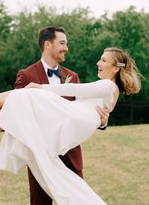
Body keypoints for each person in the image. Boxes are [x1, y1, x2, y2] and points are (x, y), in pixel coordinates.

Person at [0, 47, 141, 204]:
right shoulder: (111, 91)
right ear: (48, 44)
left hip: (68, 120)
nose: (98, 62)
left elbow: (79, 90)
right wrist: (103, 121)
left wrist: (40, 87)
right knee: (17, 107)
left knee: (24, 96)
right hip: (70, 125)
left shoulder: (106, 84)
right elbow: (99, 113)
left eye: (103, 60)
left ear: (115, 68)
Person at [14, 26, 109, 205]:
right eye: (62, 43)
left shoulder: (72, 76)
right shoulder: (27, 75)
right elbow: (18, 112)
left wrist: (101, 122)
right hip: (42, 154)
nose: (66, 48)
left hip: (70, 154)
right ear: (48, 44)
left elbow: (83, 113)